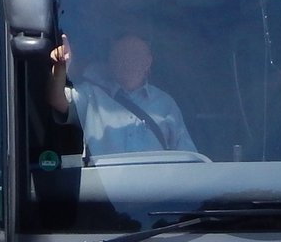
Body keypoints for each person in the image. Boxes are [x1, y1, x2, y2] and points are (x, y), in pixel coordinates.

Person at [48, 32, 196, 156]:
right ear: (111, 61)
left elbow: (189, 161)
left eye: (135, 56)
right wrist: (60, 67)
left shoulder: (165, 104)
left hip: (156, 189)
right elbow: (57, 100)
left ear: (148, 62)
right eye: (121, 56)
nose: (128, 62)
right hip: (103, 188)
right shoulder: (91, 95)